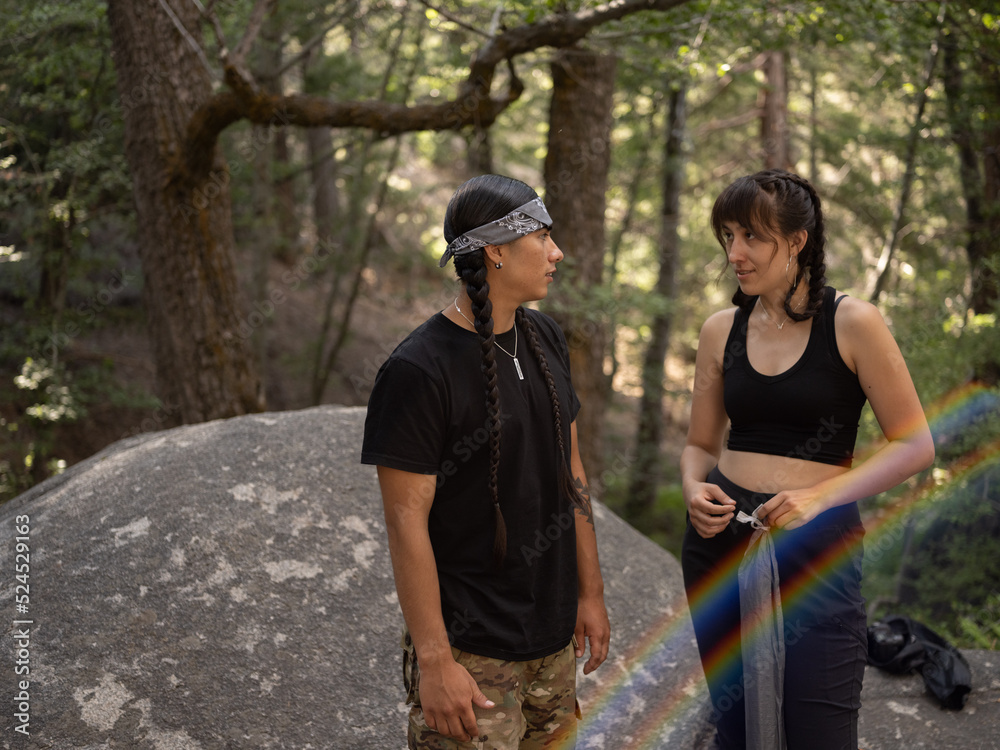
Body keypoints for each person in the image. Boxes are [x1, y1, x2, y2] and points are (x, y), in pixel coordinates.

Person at [679, 169, 935, 749]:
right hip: (721, 542)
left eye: (750, 237)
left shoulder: (854, 322)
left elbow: (917, 443)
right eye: (727, 237)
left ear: (797, 241)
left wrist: (819, 497)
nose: (734, 253)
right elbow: (699, 445)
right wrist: (694, 489)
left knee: (820, 727)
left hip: (818, 544)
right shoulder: (722, 330)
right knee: (737, 729)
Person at [361, 174, 610, 749]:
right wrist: (436, 662)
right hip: (473, 659)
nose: (558, 252)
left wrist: (589, 594)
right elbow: (406, 523)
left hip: (552, 645)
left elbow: (573, 476)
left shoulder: (544, 335)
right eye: (542, 238)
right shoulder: (419, 370)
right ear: (496, 250)